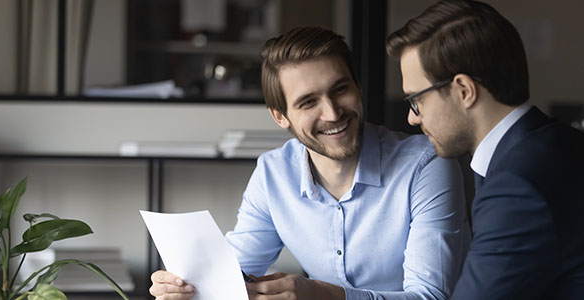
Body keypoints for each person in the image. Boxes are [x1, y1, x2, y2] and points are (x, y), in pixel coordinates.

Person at [149, 26, 470, 300]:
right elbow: (232, 274)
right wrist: (185, 286)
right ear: (280, 116)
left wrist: (325, 294)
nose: (332, 113)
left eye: (340, 90)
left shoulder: (427, 164)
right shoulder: (273, 173)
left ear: (357, 87)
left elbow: (429, 296)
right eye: (308, 102)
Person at [386, 1, 584, 299]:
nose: (412, 117)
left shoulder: (518, 184)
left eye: (416, 100)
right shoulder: (560, 144)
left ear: (463, 91)